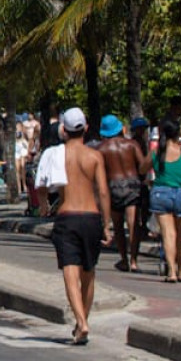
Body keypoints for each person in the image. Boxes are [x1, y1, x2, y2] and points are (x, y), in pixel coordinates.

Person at [48, 108, 111, 344]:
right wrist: (107, 224)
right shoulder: (95, 157)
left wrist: (45, 205)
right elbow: (103, 192)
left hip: (67, 215)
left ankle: (81, 322)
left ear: (63, 130)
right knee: (88, 273)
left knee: (69, 271)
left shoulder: (57, 156)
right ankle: (82, 321)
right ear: (85, 128)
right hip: (91, 216)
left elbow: (44, 183)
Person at [149, 114, 181, 282]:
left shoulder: (156, 153)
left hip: (161, 192)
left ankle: (171, 271)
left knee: (168, 234)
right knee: (179, 236)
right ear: (178, 134)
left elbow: (142, 168)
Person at [96, 116, 148, 271]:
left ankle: (124, 259)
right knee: (133, 225)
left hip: (113, 185)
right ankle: (134, 260)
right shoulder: (131, 145)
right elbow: (142, 164)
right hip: (132, 183)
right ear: (120, 129)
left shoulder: (101, 149)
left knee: (118, 226)